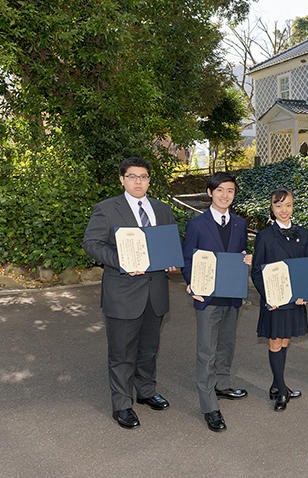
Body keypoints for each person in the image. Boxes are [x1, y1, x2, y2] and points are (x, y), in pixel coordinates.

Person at [83, 157, 177, 429]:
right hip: (123, 293)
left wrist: (172, 259)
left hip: (155, 291)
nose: (138, 181)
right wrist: (122, 261)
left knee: (149, 349)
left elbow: (170, 244)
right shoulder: (106, 209)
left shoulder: (162, 209)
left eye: (143, 176)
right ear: (122, 179)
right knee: (122, 353)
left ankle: (146, 391)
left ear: (149, 180)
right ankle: (122, 404)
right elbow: (91, 243)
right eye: (132, 176)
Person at [182, 172, 253, 432]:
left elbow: (240, 253)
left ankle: (222, 385)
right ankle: (209, 405)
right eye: (220, 190)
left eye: (230, 190)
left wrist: (246, 259)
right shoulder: (196, 224)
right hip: (207, 295)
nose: (225, 195)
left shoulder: (239, 224)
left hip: (231, 294)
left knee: (226, 345)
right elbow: (188, 258)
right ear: (210, 192)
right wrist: (191, 283)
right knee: (207, 350)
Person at [250, 189, 308, 412]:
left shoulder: (304, 234)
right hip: (274, 299)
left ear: (293, 206)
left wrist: (305, 293)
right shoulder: (264, 236)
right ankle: (282, 391)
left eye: (288, 205)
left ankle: (277, 385)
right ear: (272, 208)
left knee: (285, 340)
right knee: (275, 341)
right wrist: (269, 296)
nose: (284, 210)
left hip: (295, 299)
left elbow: (306, 267)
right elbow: (257, 271)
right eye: (278, 206)